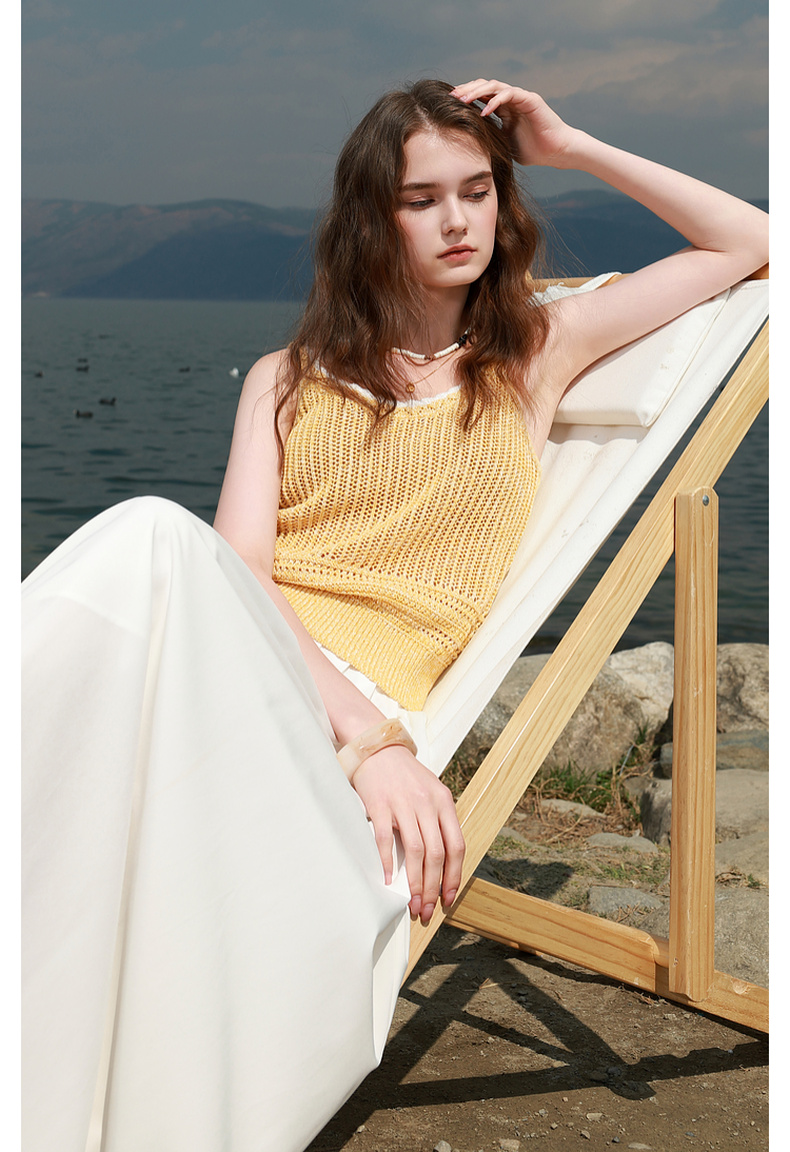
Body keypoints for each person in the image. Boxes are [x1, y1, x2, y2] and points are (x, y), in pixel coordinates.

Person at [22, 78, 768, 1152]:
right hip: (251, 660)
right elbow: (240, 572)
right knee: (149, 538)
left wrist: (567, 143)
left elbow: (752, 244)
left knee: (142, 540)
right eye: (423, 199)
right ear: (376, 218)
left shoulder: (532, 354)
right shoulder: (286, 378)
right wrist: (368, 746)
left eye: (478, 190)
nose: (459, 219)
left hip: (340, 698)